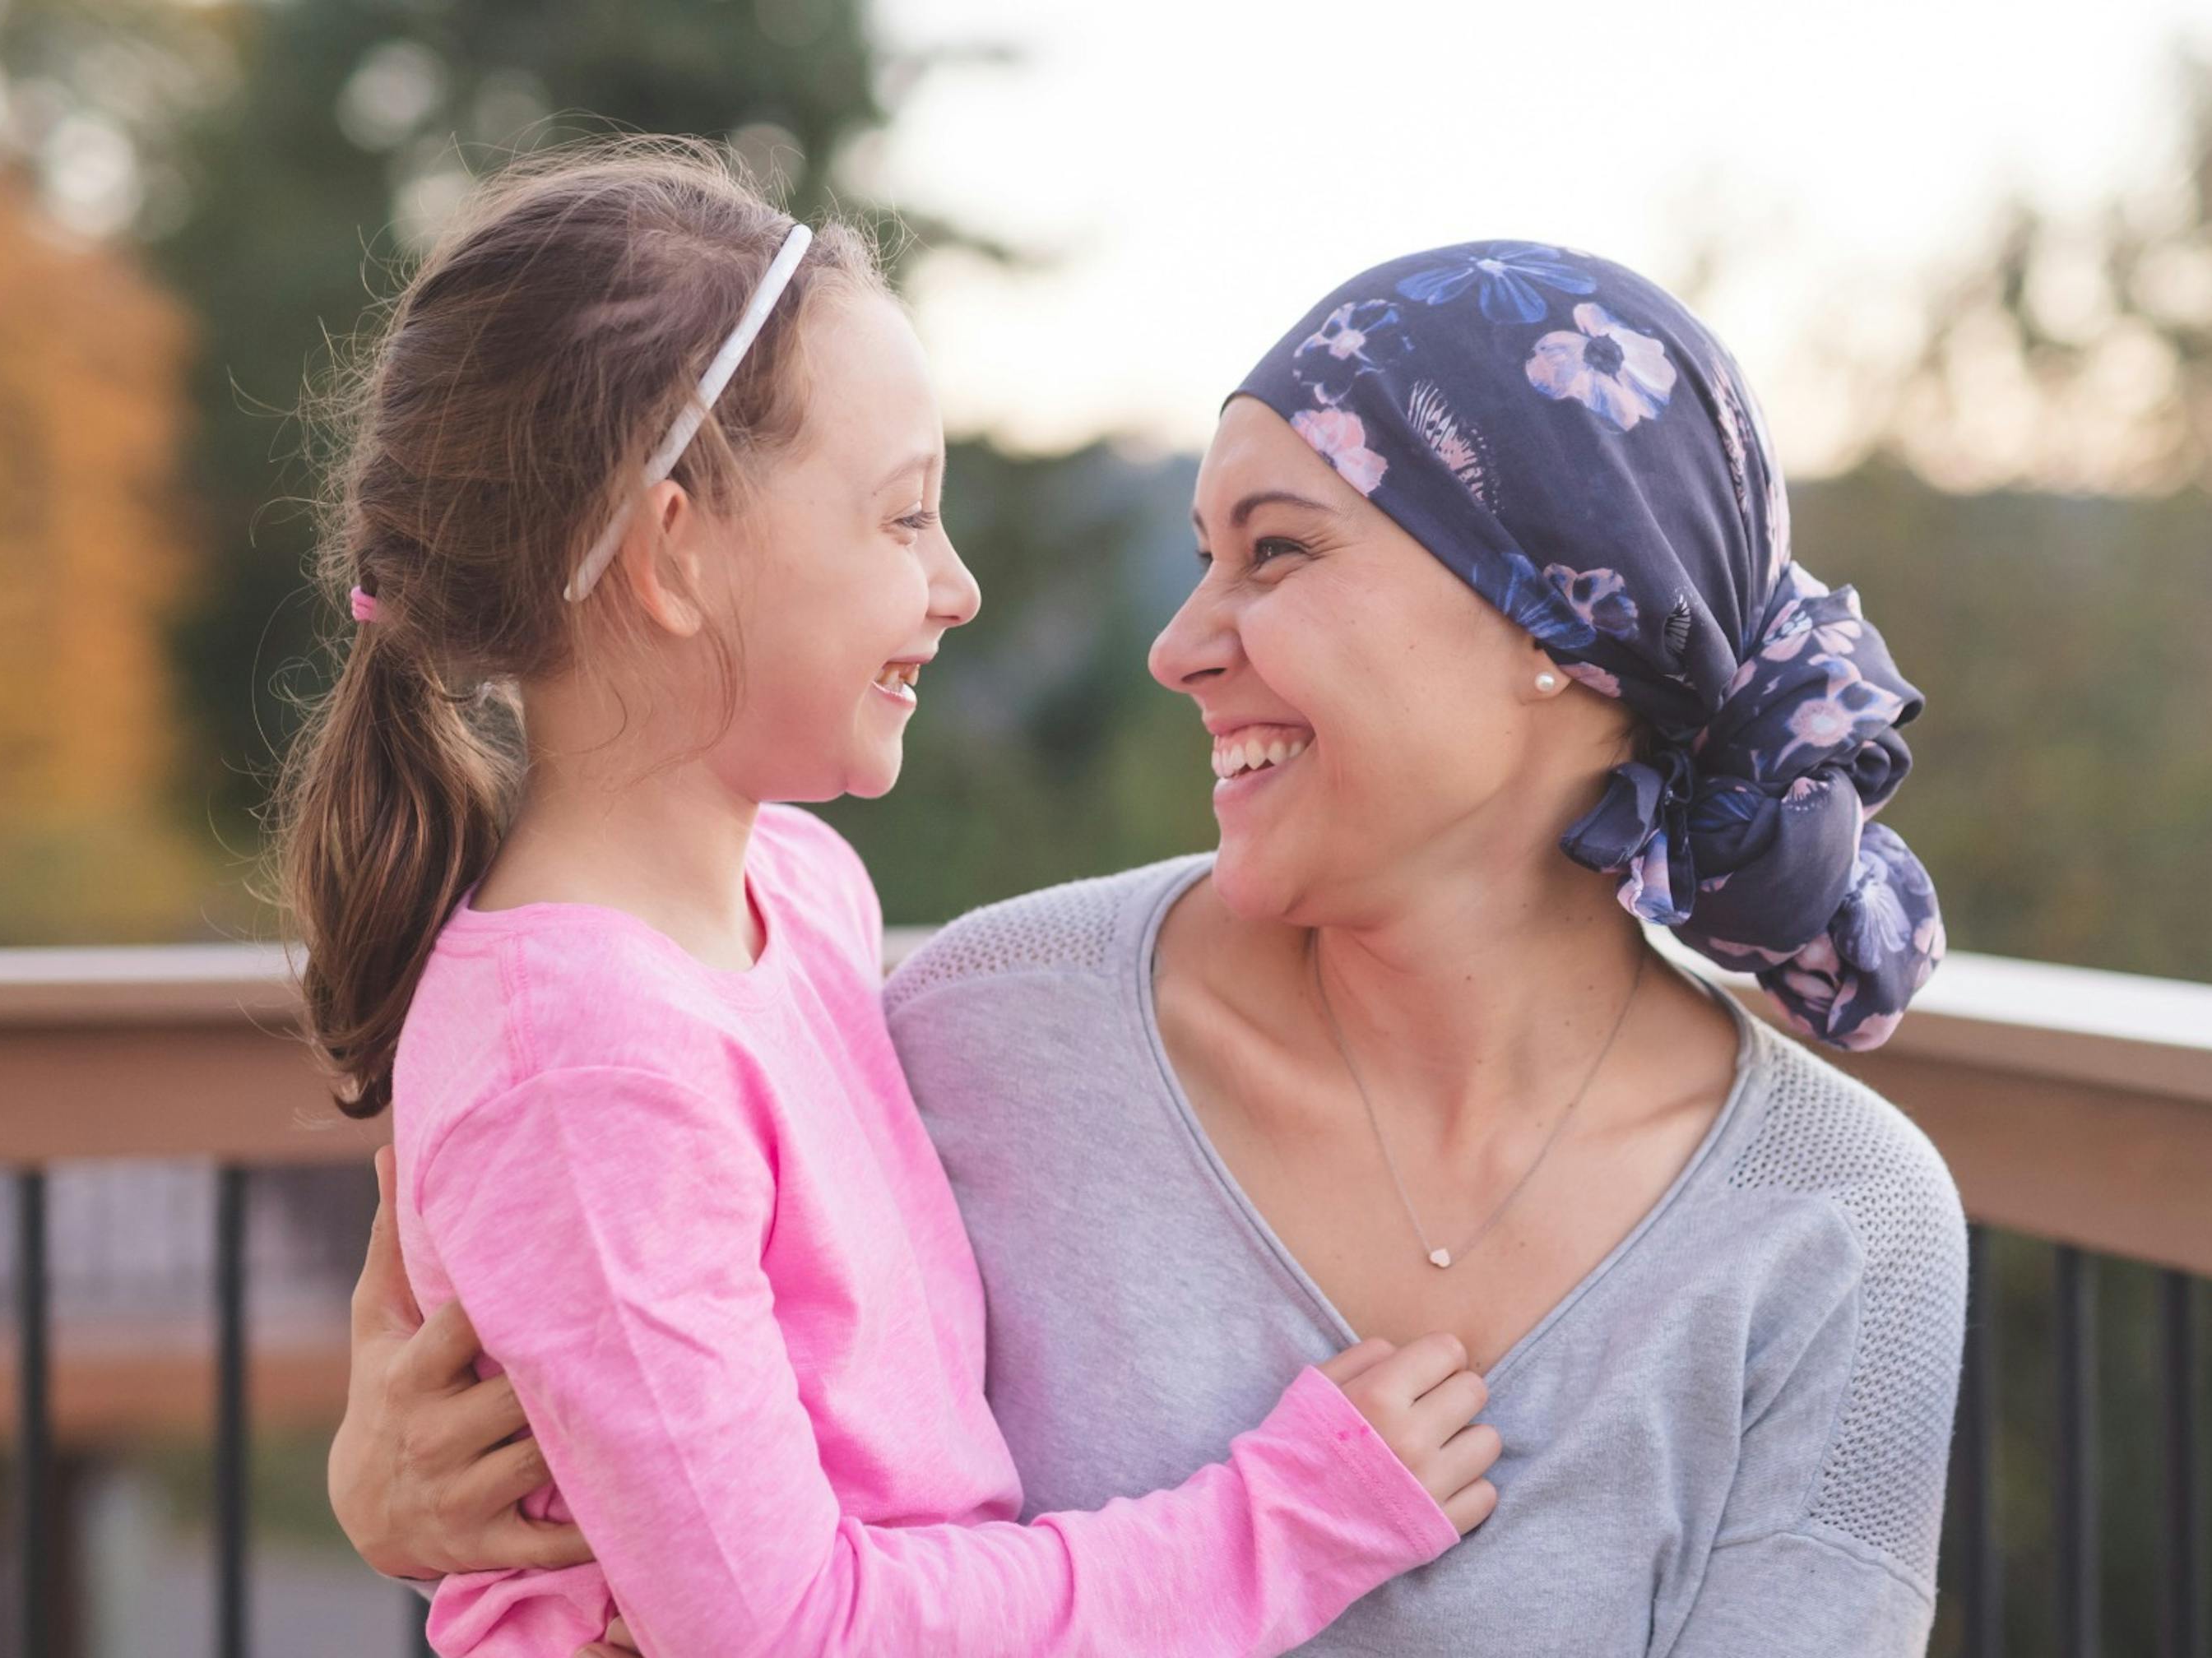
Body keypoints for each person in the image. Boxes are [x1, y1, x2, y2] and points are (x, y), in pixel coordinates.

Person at [336, 239, 1969, 1655]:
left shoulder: (1837, 1235)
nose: (1177, 646)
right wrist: (401, 1476)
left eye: (1278, 550)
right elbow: (608, 1292)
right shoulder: (979, 1025)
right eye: (1199, 553)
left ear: (1557, 626)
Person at [274, 141, 1497, 1658]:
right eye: (903, 517)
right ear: (672, 555)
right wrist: (1291, 1521)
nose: (957, 584)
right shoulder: (583, 1056)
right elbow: (793, 1631)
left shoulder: (799, 889)